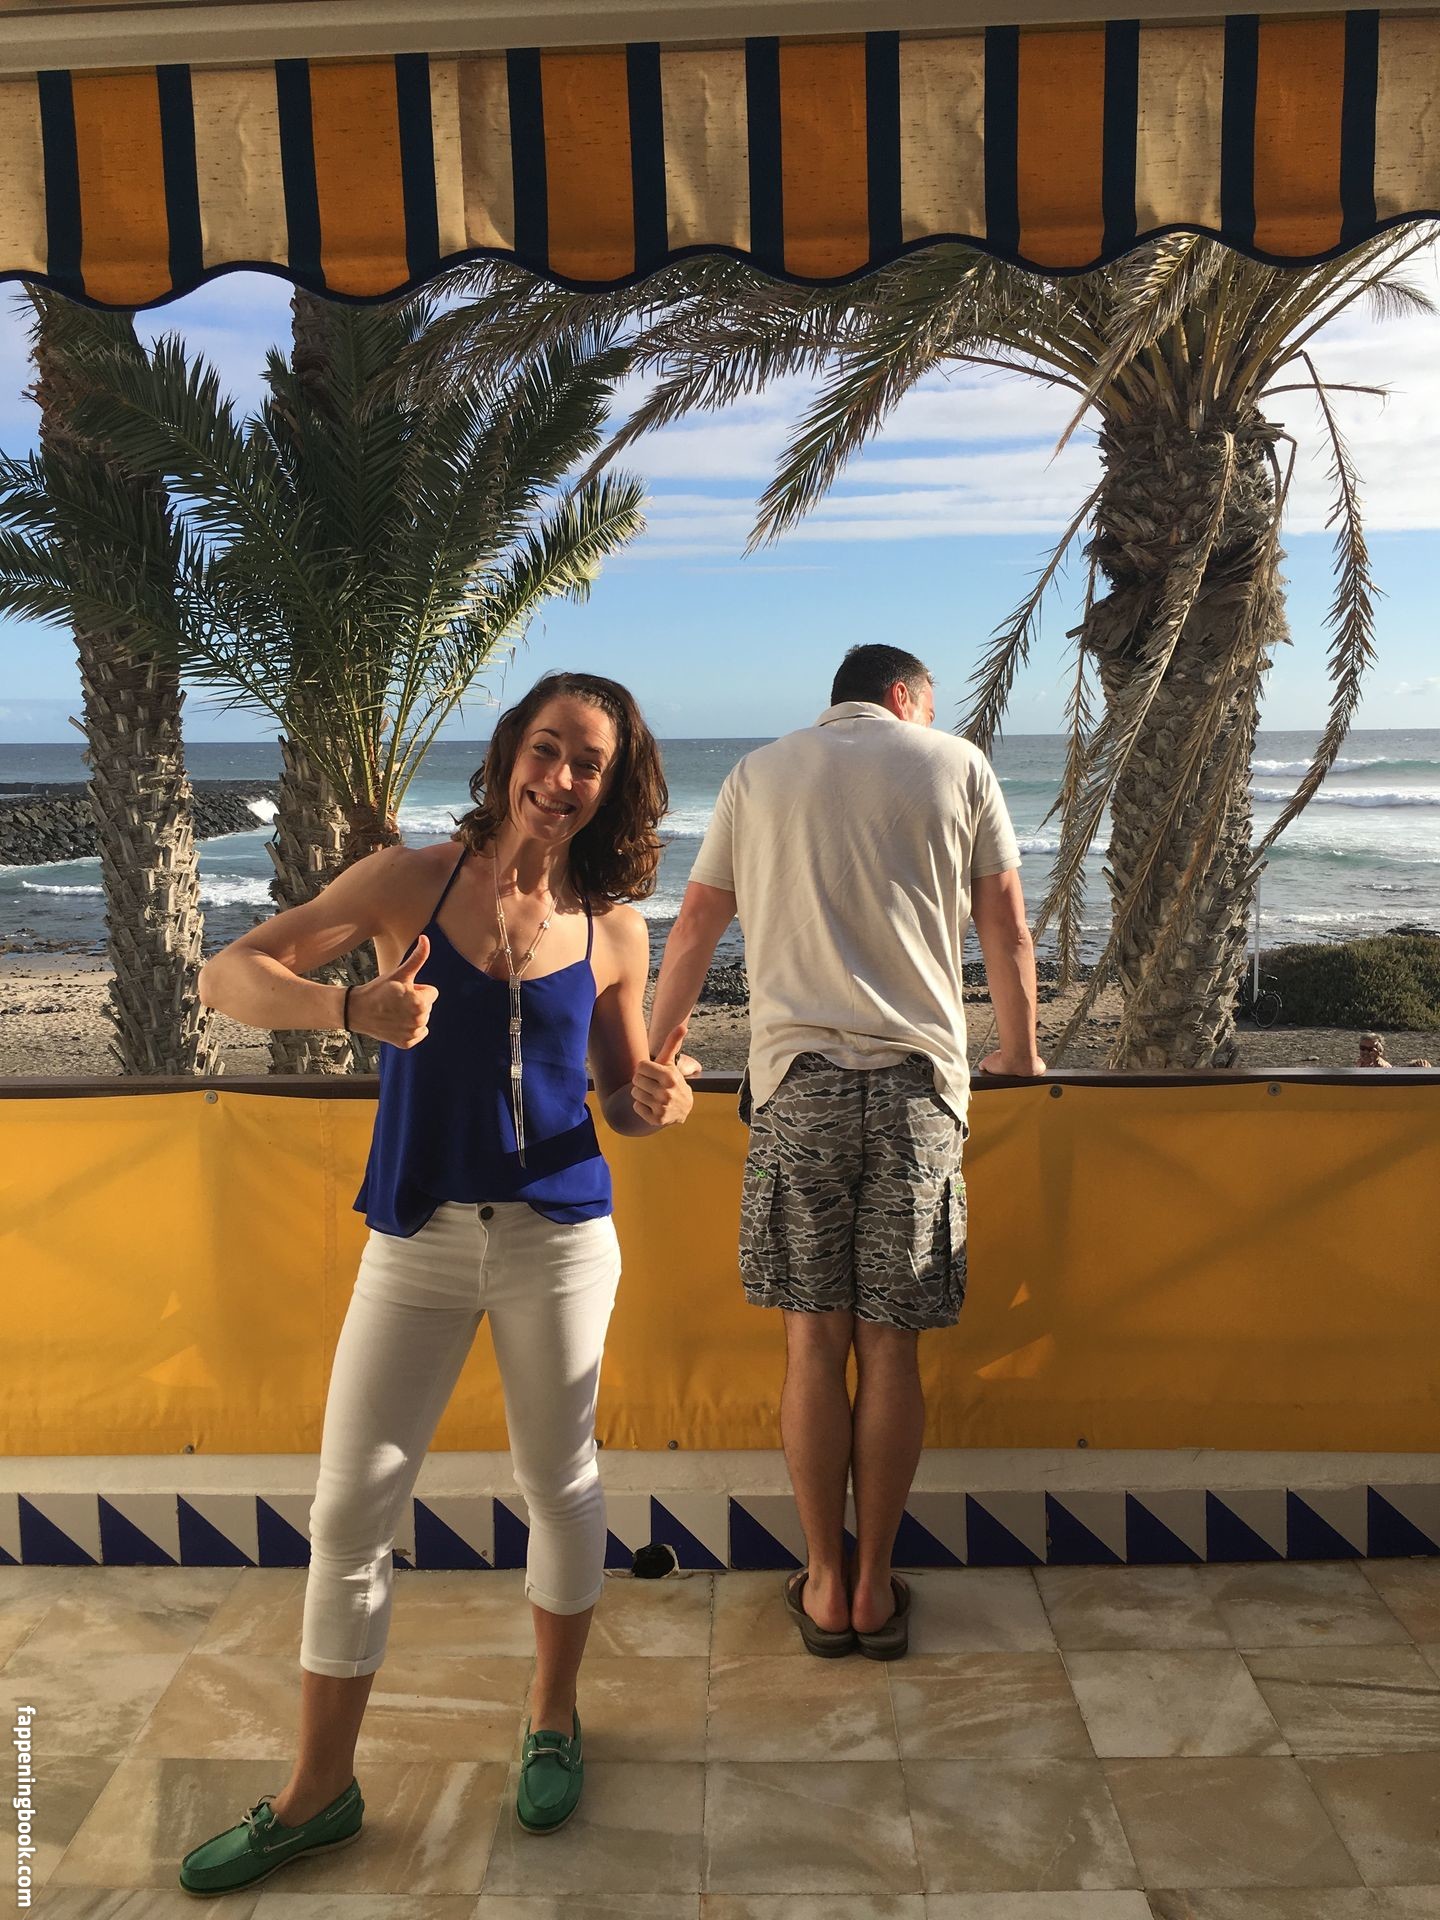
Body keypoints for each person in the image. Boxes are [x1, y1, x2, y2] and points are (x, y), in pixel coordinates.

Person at [179, 671, 694, 1895]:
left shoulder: (614, 929)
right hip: (416, 1237)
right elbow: (227, 974)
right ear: (511, 750)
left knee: (559, 1482)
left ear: (612, 787)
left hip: (560, 1241)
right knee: (351, 1511)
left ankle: (552, 1719)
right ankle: (319, 1791)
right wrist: (347, 1005)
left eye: (590, 764)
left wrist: (660, 1102)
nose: (561, 779)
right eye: (548, 749)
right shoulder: (408, 881)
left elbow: (623, 1101)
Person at [648, 643, 1044, 1660]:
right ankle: (876, 1587)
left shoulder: (757, 773)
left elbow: (695, 925)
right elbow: (1004, 922)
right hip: (919, 1096)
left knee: (813, 1345)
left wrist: (657, 1050)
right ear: (906, 697)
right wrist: (1021, 1052)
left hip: (798, 1091)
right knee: (892, 1347)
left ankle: (823, 1583)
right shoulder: (958, 764)